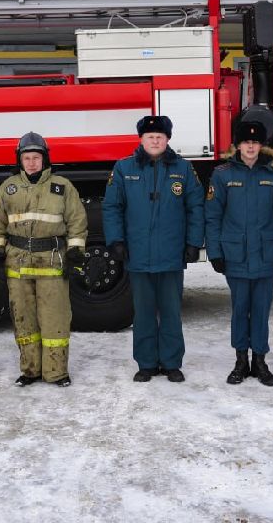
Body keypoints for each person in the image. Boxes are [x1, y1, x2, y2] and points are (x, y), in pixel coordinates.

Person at [103, 115, 204, 383]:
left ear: (167, 139)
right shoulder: (124, 169)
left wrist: (194, 242)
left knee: (171, 311)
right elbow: (112, 207)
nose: (155, 140)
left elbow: (195, 207)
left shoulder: (183, 169)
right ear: (141, 139)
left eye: (160, 136)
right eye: (150, 137)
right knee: (144, 312)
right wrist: (116, 241)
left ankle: (171, 362)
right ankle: (146, 363)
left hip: (171, 254)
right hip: (137, 254)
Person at [0, 132, 88, 387]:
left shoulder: (63, 187)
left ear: (45, 159)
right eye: (26, 158)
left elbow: (77, 221)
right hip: (17, 264)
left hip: (51, 262)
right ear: (20, 160)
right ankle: (30, 371)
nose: (31, 162)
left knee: (55, 319)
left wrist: (75, 253)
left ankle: (56, 372)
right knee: (23, 319)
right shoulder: (7, 188)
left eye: (36, 157)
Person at [205, 120, 273, 387]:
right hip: (235, 255)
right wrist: (215, 252)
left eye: (255, 142)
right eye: (246, 142)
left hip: (266, 255)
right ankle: (241, 361)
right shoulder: (222, 175)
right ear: (238, 145)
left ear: (261, 145)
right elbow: (212, 215)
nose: (251, 146)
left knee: (261, 310)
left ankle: (260, 362)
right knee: (240, 309)